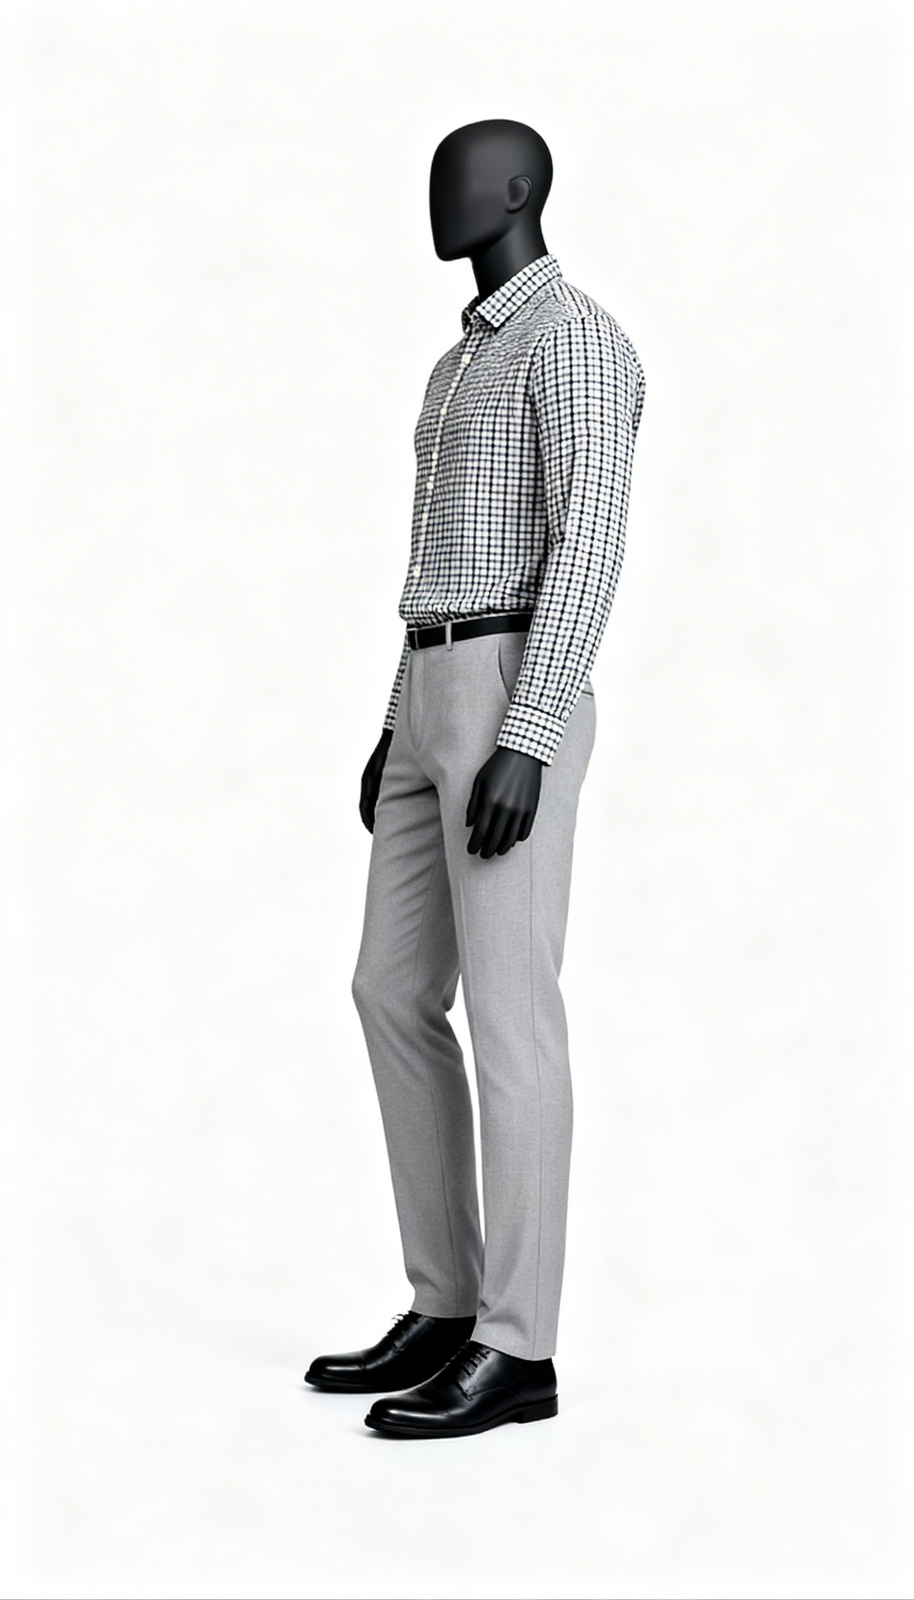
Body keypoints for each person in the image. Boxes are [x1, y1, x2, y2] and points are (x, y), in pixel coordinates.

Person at [305, 118, 646, 1439]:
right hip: (429, 679)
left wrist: (530, 730)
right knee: (389, 989)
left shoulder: (574, 340)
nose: (439, 196)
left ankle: (519, 1348)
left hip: (512, 686)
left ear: (520, 189)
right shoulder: (461, 362)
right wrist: (397, 724)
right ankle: (446, 1303)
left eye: (463, 174)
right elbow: (434, 560)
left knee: (511, 1016)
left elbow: (588, 541)